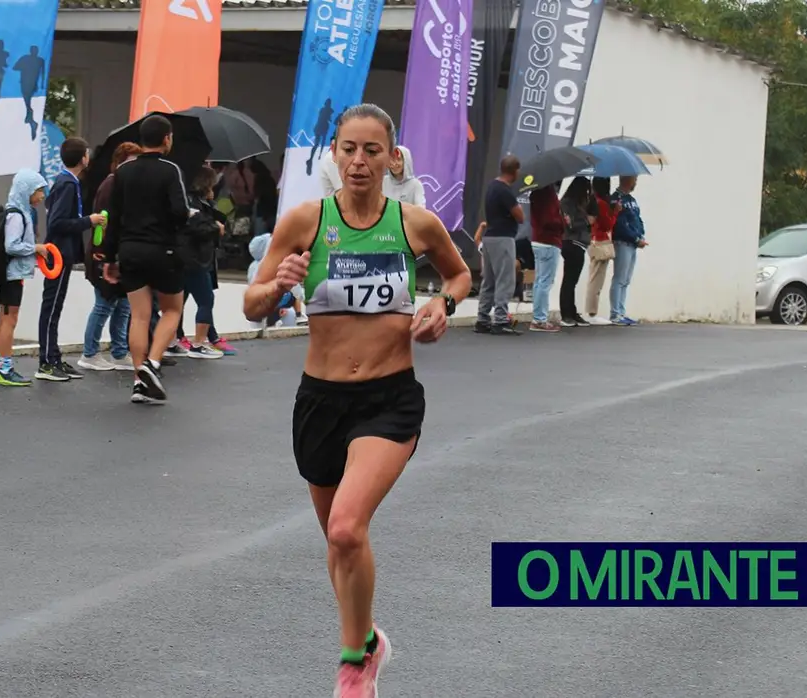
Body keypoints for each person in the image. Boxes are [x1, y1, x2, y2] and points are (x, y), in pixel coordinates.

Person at [242, 103, 471, 698]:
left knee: (347, 528)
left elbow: (459, 275)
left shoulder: (415, 224)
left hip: (389, 399)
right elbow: (252, 303)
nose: (360, 161)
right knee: (338, 542)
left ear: (392, 159)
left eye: (373, 151)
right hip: (320, 400)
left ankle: (353, 666)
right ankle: (368, 637)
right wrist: (280, 283)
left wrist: (441, 305)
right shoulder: (304, 222)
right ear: (334, 154)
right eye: (349, 149)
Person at [102, 114, 191, 405]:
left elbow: (112, 217)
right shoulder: (170, 170)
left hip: (129, 250)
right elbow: (179, 211)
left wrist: (109, 256)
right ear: (166, 139)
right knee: (172, 311)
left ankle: (139, 382)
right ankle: (152, 364)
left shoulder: (124, 172)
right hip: (162, 249)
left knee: (138, 315)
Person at [36, 137, 104, 382]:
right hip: (58, 253)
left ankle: (53, 357)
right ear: (82, 158)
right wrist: (89, 221)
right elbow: (57, 222)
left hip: (62, 252)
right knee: (52, 307)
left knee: (55, 307)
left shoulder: (69, 181)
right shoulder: (67, 183)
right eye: (87, 153)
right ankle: (45, 361)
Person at [77, 142, 140, 373]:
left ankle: (119, 351)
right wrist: (103, 255)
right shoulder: (111, 184)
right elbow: (104, 223)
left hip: (118, 253)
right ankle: (90, 353)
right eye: (131, 160)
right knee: (104, 304)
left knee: (123, 304)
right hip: (103, 254)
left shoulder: (123, 185)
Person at [0, 169, 47, 387]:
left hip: (11, 273)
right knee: (9, 320)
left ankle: (0, 365)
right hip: (12, 274)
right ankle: (4, 368)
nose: (42, 195)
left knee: (5, 318)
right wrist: (36, 248)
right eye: (39, 190)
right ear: (27, 190)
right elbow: (11, 245)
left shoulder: (17, 211)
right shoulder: (16, 215)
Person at [176, 166, 225, 359]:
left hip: (186, 257)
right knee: (206, 300)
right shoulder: (194, 204)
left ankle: (173, 340)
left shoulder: (189, 200)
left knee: (179, 301)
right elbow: (198, 227)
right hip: (195, 258)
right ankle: (199, 343)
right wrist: (216, 227)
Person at [474, 156, 524, 335]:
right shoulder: (505, 191)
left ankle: (482, 318)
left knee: (489, 280)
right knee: (505, 279)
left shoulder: (492, 187)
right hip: (503, 238)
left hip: (489, 238)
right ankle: (501, 320)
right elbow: (520, 216)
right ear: (515, 171)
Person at [528, 182, 566, 333]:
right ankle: (540, 319)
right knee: (545, 281)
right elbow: (550, 220)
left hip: (537, 239)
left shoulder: (535, 192)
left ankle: (538, 317)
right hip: (549, 241)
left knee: (539, 281)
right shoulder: (548, 193)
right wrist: (563, 221)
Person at [609, 175, 647, 326]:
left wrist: (641, 234)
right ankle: (615, 313)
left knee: (626, 279)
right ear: (626, 179)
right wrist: (635, 238)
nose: (635, 183)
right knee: (619, 278)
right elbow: (620, 224)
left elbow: (638, 218)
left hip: (633, 243)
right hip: (623, 242)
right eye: (634, 179)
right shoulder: (616, 199)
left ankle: (621, 311)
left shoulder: (631, 200)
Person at [559, 176, 596, 327]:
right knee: (569, 280)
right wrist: (587, 221)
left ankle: (572, 311)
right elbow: (571, 224)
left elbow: (594, 215)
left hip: (580, 243)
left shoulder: (581, 205)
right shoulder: (567, 204)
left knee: (572, 281)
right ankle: (566, 314)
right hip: (571, 242)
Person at [584, 177, 620, 325]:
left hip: (593, 240)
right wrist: (616, 212)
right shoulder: (602, 204)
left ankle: (591, 311)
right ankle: (591, 312)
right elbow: (607, 225)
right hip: (601, 241)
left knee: (594, 277)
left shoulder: (591, 201)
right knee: (596, 280)